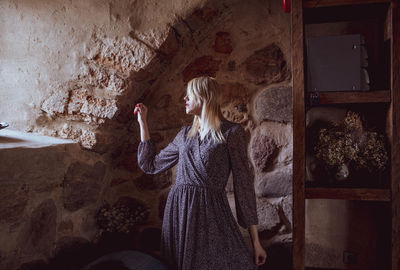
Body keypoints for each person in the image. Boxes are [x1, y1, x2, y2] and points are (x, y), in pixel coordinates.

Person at [134, 76, 267, 270]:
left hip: (211, 211)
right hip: (180, 210)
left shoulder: (231, 133)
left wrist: (256, 242)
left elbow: (243, 184)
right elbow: (150, 165)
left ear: (205, 96)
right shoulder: (184, 134)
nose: (185, 99)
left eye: (190, 94)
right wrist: (143, 122)